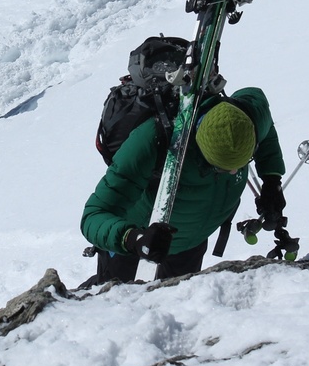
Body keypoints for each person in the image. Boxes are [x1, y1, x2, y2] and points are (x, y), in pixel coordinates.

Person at [80, 87, 286, 285]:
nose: (234, 172)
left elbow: (261, 113)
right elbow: (93, 215)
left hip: (191, 245)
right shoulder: (154, 140)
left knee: (176, 307)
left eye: (242, 164)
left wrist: (271, 180)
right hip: (136, 246)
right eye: (222, 168)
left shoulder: (247, 117)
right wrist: (133, 238)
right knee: (116, 305)